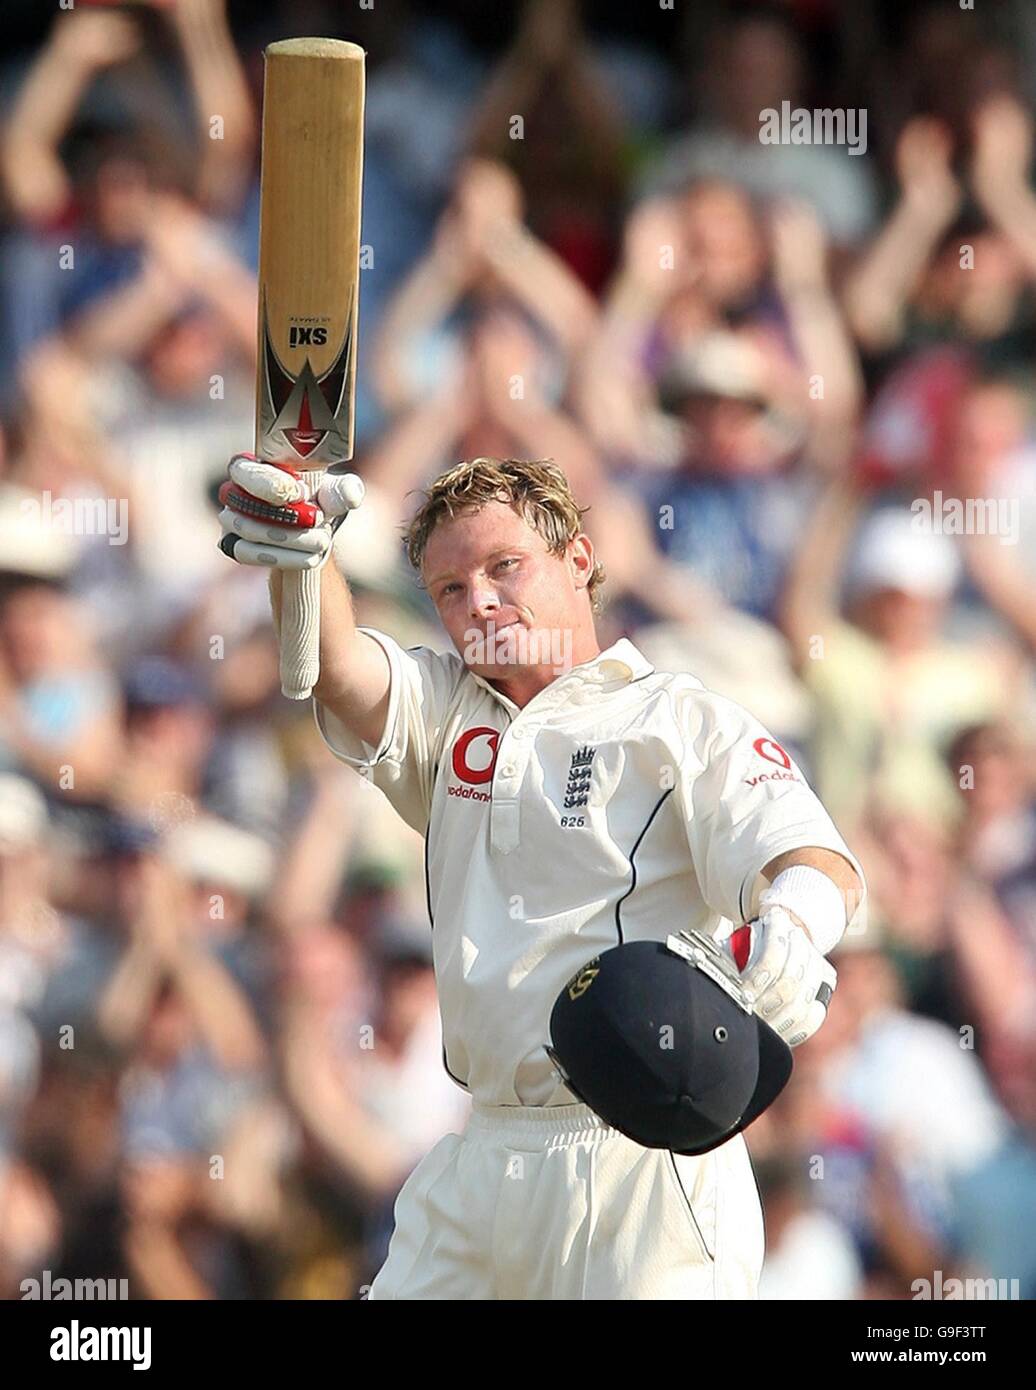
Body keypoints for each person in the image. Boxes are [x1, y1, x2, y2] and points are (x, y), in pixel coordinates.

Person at [217, 452, 864, 1300]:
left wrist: (793, 922)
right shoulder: (447, 708)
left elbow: (809, 855)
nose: (478, 599)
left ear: (581, 561)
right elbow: (338, 669)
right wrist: (307, 559)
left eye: (504, 566)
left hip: (645, 1163)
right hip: (481, 1151)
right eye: (449, 588)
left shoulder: (673, 716)